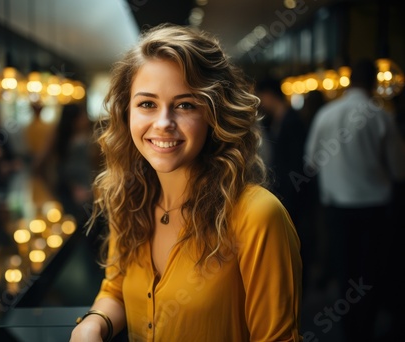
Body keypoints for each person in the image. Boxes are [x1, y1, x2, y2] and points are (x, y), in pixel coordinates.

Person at [70, 24, 302, 342]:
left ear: (214, 113)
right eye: (147, 104)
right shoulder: (129, 199)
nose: (163, 123)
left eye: (185, 104)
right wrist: (92, 324)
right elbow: (115, 289)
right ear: (126, 113)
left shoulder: (257, 216)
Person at [304, 59, 405, 341]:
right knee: (371, 272)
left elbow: (310, 162)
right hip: (375, 208)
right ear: (373, 82)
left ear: (349, 81)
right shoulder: (381, 116)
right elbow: (399, 169)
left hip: (337, 208)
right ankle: (367, 327)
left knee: (345, 271)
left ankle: (348, 330)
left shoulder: (326, 114)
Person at [255, 77, 308, 226]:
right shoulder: (274, 120)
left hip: (293, 194)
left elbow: (297, 161)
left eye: (261, 97)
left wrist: (289, 194)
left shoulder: (292, 121)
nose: (261, 102)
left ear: (269, 94)